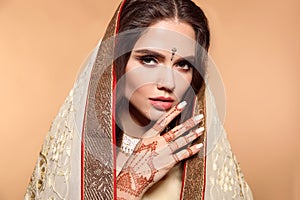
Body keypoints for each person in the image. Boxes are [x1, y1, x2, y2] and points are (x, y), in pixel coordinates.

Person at [25, 0, 253, 199]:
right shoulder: (75, 157)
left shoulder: (205, 164)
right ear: (117, 63)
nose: (168, 83)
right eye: (150, 60)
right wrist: (130, 184)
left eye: (184, 65)